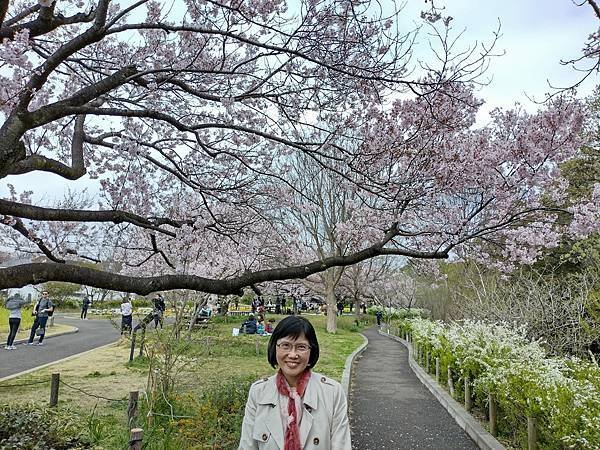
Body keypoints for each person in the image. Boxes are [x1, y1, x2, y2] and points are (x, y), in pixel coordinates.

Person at [239, 316, 351, 449]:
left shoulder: (332, 392)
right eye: (285, 346)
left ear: (311, 351)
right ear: (275, 348)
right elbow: (247, 446)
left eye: (301, 347)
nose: (292, 354)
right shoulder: (258, 392)